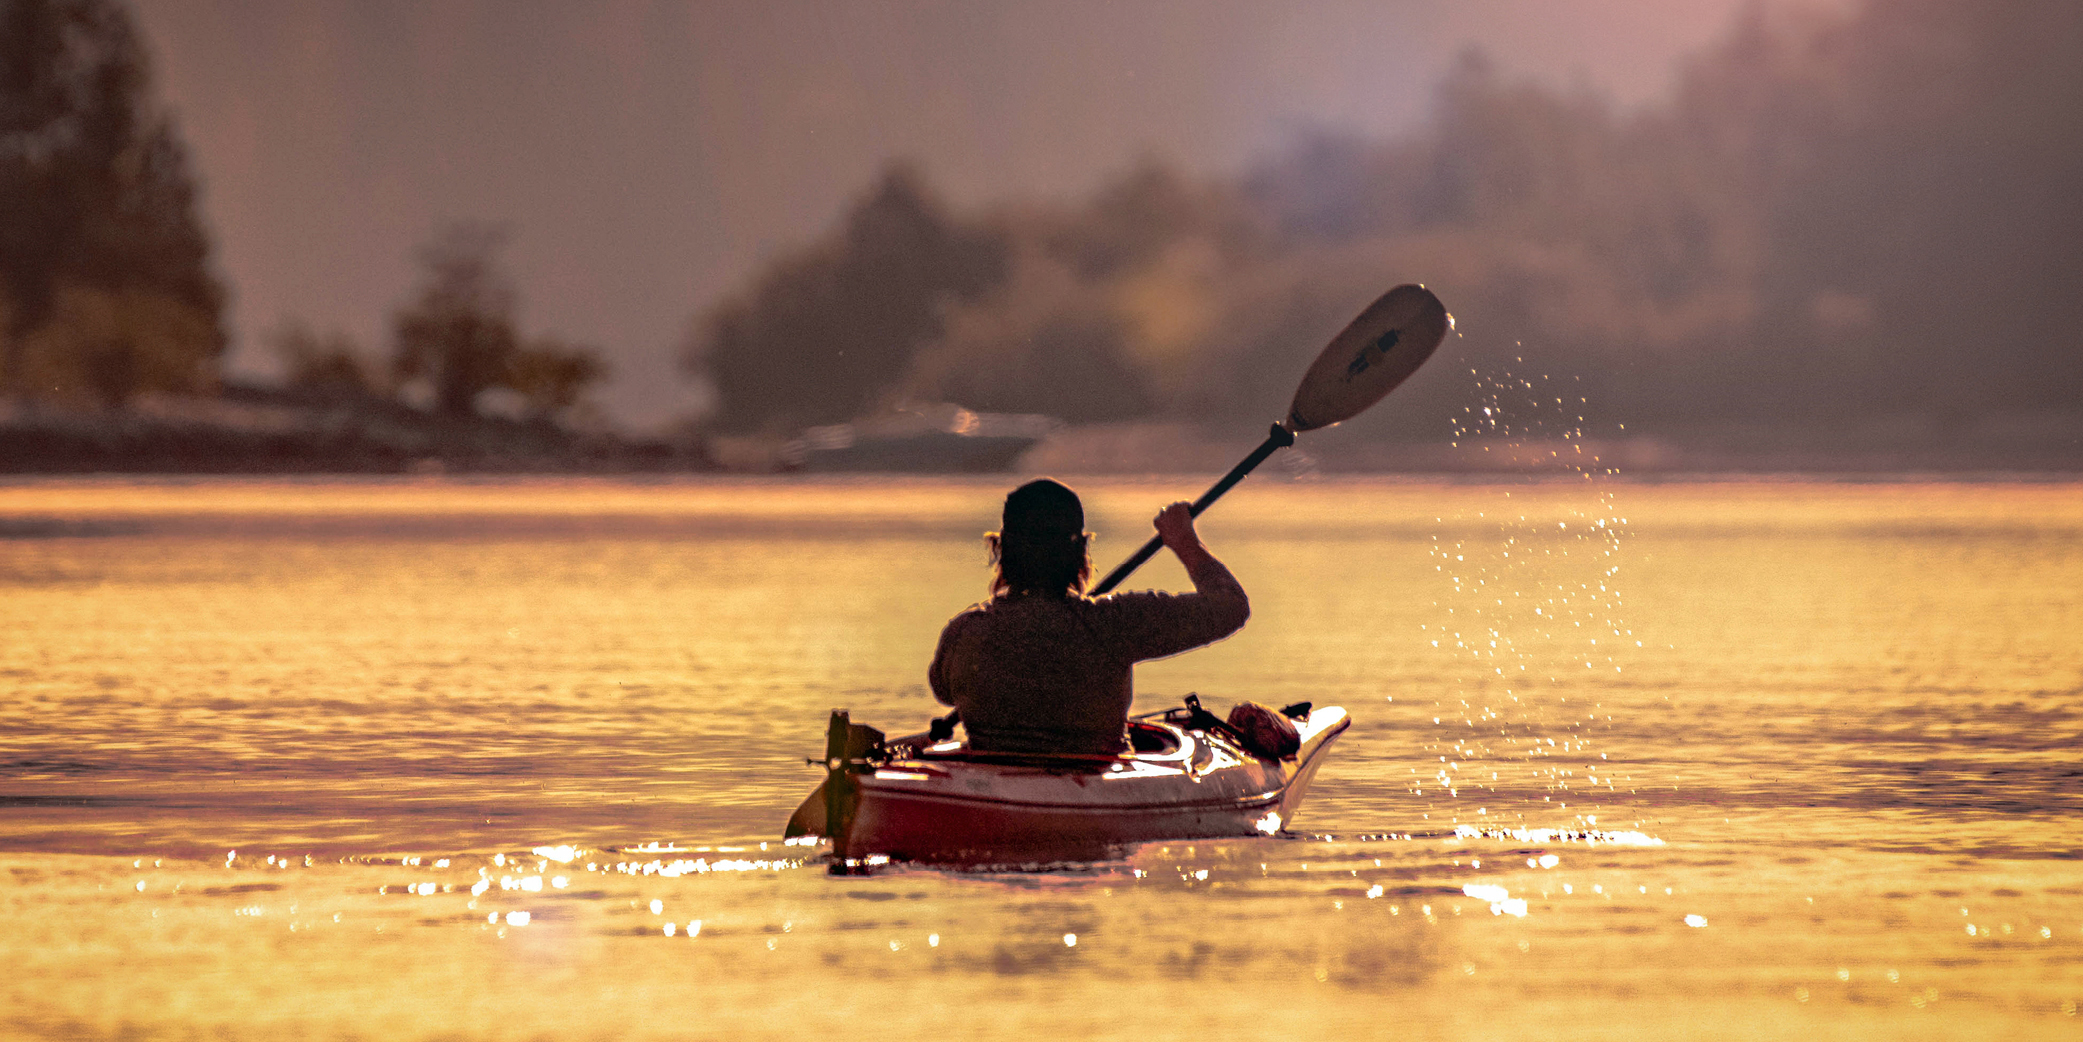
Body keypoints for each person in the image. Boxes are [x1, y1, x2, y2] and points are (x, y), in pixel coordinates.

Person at [928, 478, 1250, 754]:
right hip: (1092, 777)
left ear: (1001, 551)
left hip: (988, 781)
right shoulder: (1116, 623)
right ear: (1081, 552)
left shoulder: (963, 632)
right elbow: (1231, 607)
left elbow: (943, 692)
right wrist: (1185, 543)